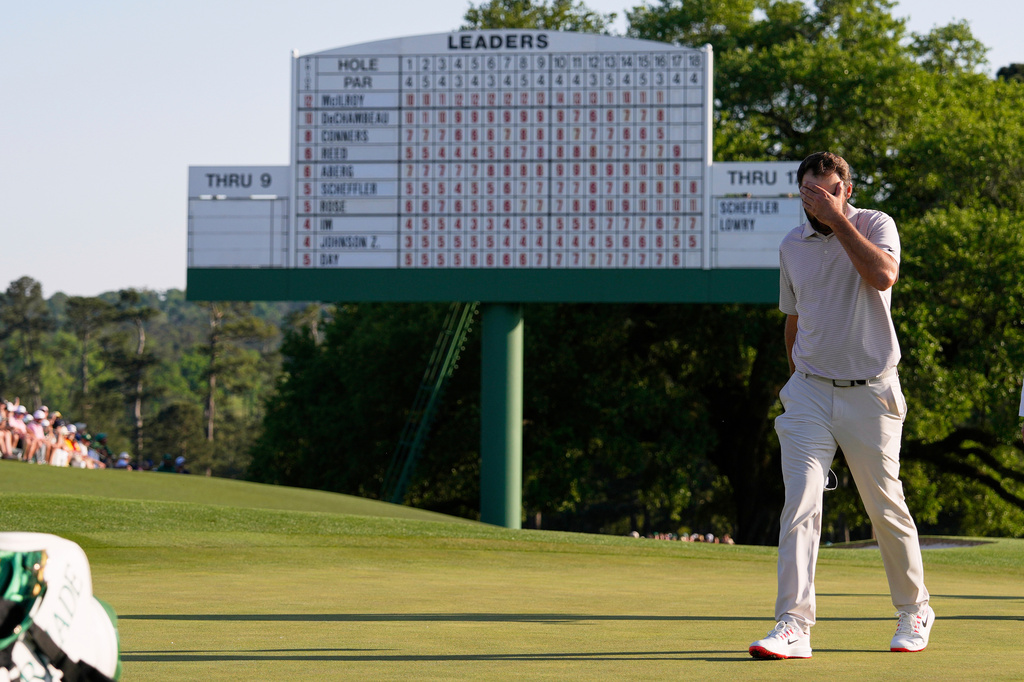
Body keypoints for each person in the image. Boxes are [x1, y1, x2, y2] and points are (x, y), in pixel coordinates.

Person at [749, 152, 933, 660]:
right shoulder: (792, 245)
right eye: (809, 194)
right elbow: (793, 317)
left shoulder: (876, 224)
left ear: (846, 190)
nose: (817, 203)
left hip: (872, 391)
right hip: (809, 391)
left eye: (827, 192)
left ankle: (914, 609)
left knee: (884, 508)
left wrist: (837, 222)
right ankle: (793, 624)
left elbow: (883, 276)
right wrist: (797, 381)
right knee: (800, 504)